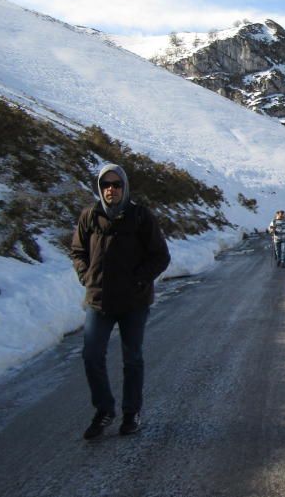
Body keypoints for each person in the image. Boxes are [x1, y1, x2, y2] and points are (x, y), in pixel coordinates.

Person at [70, 163, 171, 440]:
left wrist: (139, 280)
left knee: (132, 359)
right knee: (91, 356)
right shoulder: (89, 216)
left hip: (134, 302)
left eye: (116, 184)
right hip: (98, 299)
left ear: (125, 186)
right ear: (99, 188)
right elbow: (78, 250)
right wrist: (86, 275)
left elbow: (160, 256)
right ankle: (104, 410)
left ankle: (131, 412)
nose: (111, 189)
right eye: (105, 185)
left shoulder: (140, 216)